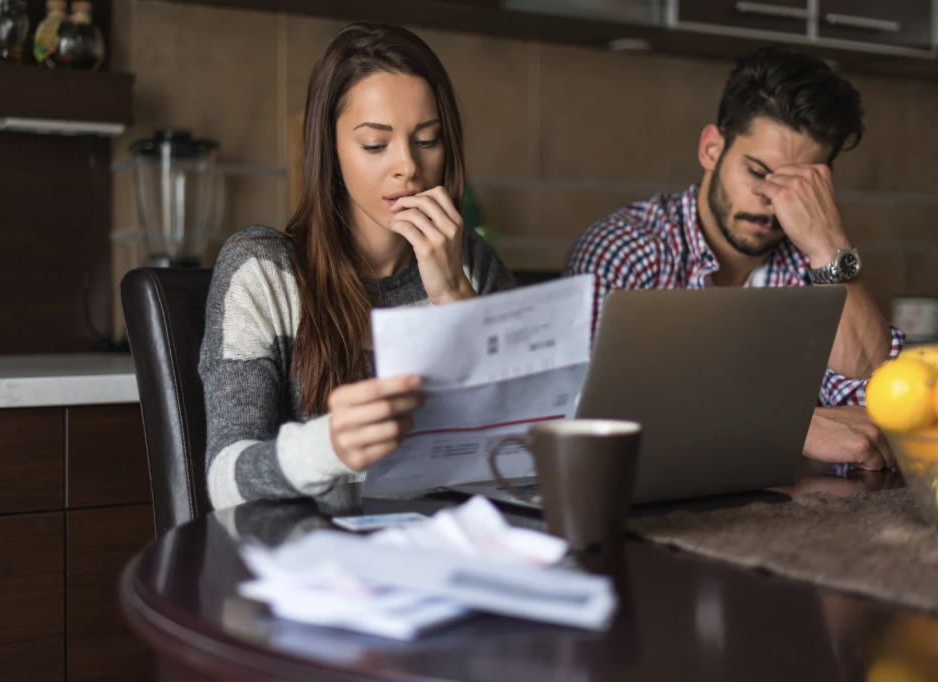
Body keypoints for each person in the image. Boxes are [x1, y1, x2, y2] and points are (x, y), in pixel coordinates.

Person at [199, 23, 514, 509]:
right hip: (318, 563)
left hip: (449, 553)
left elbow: (524, 451)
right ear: (331, 149)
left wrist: (455, 297)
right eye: (374, 145)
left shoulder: (470, 262)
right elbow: (225, 482)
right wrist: (328, 448)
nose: (407, 165)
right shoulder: (263, 272)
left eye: (427, 140)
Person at [564, 47, 903, 471]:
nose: (771, 200)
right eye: (759, 172)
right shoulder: (627, 249)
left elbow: (887, 416)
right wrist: (793, 426)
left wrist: (828, 243)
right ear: (711, 148)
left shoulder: (813, 264)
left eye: (797, 184)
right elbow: (589, 424)